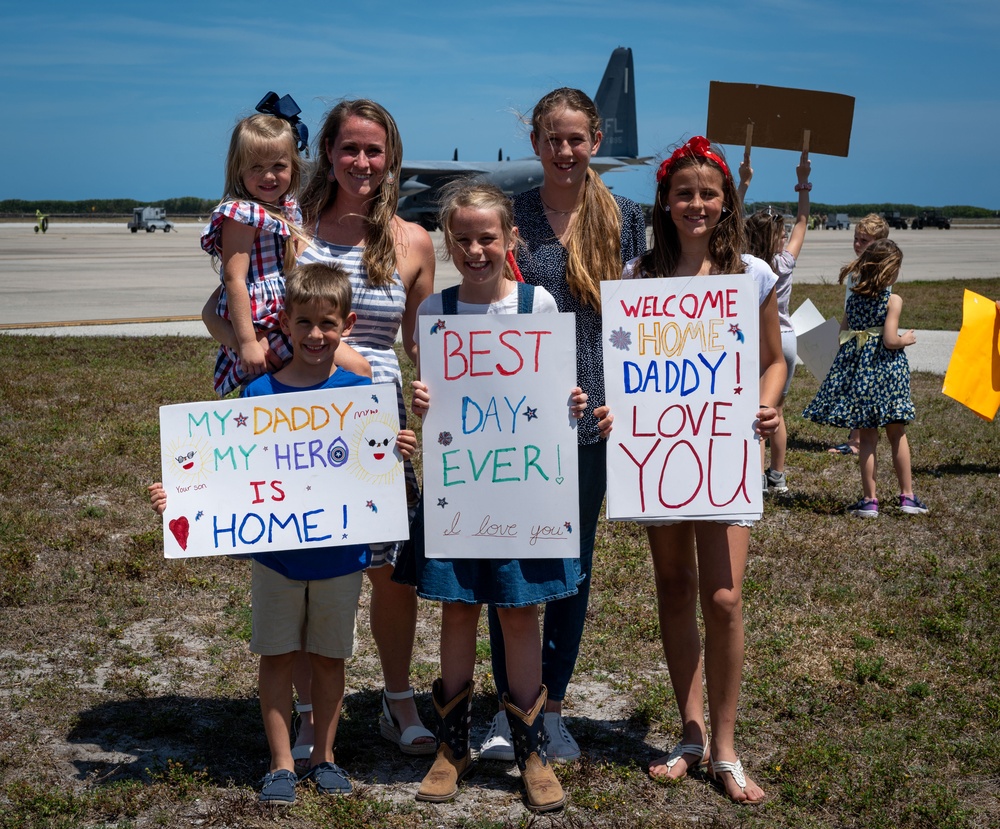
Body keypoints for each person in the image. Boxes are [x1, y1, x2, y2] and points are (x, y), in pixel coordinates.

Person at [203, 99, 436, 763]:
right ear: (327, 153)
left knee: (392, 574)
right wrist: (251, 348)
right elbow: (215, 309)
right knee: (306, 562)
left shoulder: (413, 240)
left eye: (374, 149)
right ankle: (307, 713)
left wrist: (448, 392)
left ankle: (397, 701)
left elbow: (420, 341)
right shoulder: (289, 224)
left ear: (390, 156)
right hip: (296, 416)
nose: (362, 162)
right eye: (349, 148)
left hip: (376, 423)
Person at [153, 263, 417, 803]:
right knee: (275, 657)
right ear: (285, 324)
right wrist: (178, 498)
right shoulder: (257, 395)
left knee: (329, 659)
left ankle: (325, 756)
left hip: (341, 556)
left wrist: (398, 449)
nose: (315, 335)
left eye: (327, 324)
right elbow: (222, 468)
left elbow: (374, 461)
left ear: (347, 324)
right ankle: (280, 762)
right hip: (275, 556)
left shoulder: (361, 391)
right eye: (304, 323)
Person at [408, 180, 607, 812]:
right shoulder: (435, 311)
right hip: (461, 487)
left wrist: (571, 401)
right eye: (462, 238)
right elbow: (437, 403)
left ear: (510, 238)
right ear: (448, 242)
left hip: (524, 489)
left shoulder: (537, 303)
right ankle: (453, 744)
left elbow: (554, 387)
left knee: (521, 612)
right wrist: (420, 404)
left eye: (487, 237)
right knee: (459, 609)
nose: (475, 249)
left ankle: (530, 749)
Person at [480, 87, 646, 765]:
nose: (566, 150)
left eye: (577, 138)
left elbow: (642, 322)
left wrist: (631, 402)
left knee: (573, 570)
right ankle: (505, 705)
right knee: (510, 564)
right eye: (554, 138)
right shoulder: (511, 218)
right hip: (518, 419)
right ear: (537, 144)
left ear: (596, 141)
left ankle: (551, 703)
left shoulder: (628, 219)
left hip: (595, 423)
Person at [627, 136, 784, 804]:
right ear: (665, 200)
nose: (695, 203)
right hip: (662, 453)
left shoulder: (751, 273)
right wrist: (618, 415)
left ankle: (725, 744)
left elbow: (773, 358)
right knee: (672, 582)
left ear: (726, 202)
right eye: (683, 192)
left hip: (724, 450)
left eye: (708, 193)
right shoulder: (640, 275)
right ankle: (689, 732)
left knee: (722, 598)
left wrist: (768, 406)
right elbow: (628, 370)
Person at [803, 239, 928, 518]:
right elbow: (890, 339)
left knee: (868, 440)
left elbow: (841, 336)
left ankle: (870, 501)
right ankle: (907, 497)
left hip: (862, 376)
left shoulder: (853, 299)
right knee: (897, 434)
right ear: (888, 271)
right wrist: (904, 339)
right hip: (888, 375)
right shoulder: (893, 300)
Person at [200, 110, 309, 397]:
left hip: (283, 317)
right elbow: (235, 279)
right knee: (263, 392)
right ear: (238, 169)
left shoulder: (288, 208)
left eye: (278, 165)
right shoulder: (242, 214)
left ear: (294, 167)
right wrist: (247, 341)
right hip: (258, 322)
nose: (269, 176)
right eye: (256, 167)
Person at [740, 150, 812, 493]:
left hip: (756, 338)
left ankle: (752, 477)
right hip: (785, 337)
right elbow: (802, 221)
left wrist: (743, 183)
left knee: (754, 413)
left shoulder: (746, 263)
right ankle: (777, 477)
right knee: (776, 411)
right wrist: (802, 182)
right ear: (778, 237)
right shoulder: (784, 262)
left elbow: (728, 219)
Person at [827, 214, 891, 456]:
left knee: (861, 388)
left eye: (863, 240)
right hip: (853, 334)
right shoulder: (856, 270)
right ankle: (856, 437)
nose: (857, 244)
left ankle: (857, 440)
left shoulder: (879, 273)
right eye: (855, 238)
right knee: (855, 387)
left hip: (868, 338)